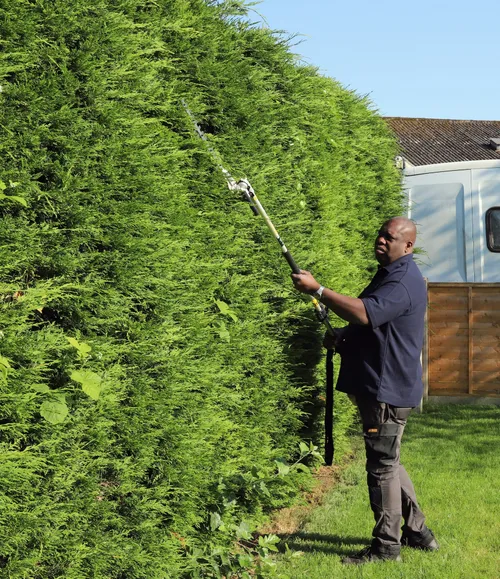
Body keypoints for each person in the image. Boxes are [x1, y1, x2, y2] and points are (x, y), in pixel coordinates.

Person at [291, 217, 439, 565]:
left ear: (408, 246)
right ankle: (418, 532)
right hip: (385, 384)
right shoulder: (390, 274)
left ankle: (387, 548)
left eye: (391, 238)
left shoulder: (402, 281)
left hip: (386, 390)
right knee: (389, 460)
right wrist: (344, 337)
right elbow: (375, 325)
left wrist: (318, 290)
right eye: (381, 235)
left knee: (382, 467)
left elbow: (366, 313)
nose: (382, 241)